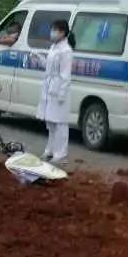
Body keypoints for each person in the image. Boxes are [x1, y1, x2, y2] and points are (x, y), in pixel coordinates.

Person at [38, 18, 73, 163]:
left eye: (55, 30)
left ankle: (61, 153)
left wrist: (62, 93)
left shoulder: (66, 51)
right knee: (51, 122)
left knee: (60, 123)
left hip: (59, 88)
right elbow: (49, 68)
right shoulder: (54, 47)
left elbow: (66, 75)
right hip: (49, 86)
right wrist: (40, 59)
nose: (52, 33)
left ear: (62, 32)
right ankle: (50, 149)